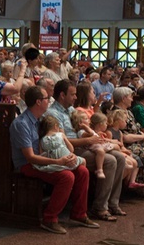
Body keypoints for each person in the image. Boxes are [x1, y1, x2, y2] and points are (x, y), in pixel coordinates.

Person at [10, 86, 97, 234]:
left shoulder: (40, 120)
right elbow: (30, 157)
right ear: (38, 102)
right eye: (46, 99)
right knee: (66, 176)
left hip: (48, 159)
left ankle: (79, 213)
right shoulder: (22, 124)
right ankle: (49, 218)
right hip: (28, 164)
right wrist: (59, 162)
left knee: (82, 171)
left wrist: (68, 157)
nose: (49, 101)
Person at [46, 80, 126, 220]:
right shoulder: (53, 114)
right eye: (73, 94)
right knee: (109, 160)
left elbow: (84, 128)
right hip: (69, 150)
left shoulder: (71, 110)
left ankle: (112, 203)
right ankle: (99, 208)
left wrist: (91, 136)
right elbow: (61, 141)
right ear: (62, 95)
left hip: (83, 144)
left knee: (119, 157)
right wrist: (88, 140)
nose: (76, 97)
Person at [105, 109, 144, 192]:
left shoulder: (120, 133)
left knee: (136, 161)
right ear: (119, 121)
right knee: (132, 163)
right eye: (125, 121)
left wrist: (125, 150)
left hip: (120, 151)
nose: (126, 123)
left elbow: (121, 145)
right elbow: (108, 146)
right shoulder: (109, 132)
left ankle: (131, 181)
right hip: (114, 151)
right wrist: (122, 151)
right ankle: (120, 182)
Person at [70, 111, 117, 179]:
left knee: (116, 148)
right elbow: (91, 134)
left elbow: (94, 134)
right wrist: (85, 127)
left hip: (97, 144)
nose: (89, 120)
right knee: (102, 152)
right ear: (80, 123)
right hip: (92, 146)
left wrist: (98, 133)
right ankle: (99, 170)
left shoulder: (88, 130)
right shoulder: (81, 131)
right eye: (86, 119)